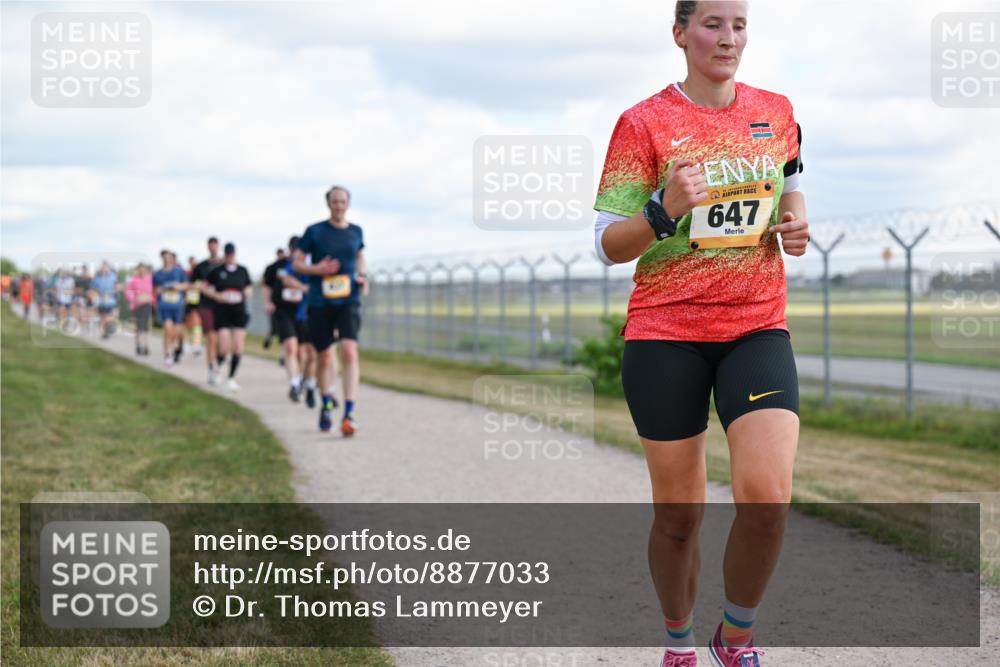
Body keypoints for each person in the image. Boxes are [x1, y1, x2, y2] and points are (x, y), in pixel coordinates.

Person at [593, 3, 809, 666]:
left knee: (768, 497)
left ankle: (734, 639)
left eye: (739, 24)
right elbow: (607, 245)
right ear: (681, 33)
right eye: (714, 23)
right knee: (679, 518)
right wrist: (663, 209)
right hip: (667, 333)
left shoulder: (777, 109)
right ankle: (679, 642)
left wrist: (795, 227)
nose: (729, 37)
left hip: (755, 326)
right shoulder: (643, 122)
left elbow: (792, 189)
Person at [293, 185, 366, 435]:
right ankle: (326, 404)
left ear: (348, 203)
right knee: (324, 356)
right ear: (328, 204)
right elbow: (297, 263)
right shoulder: (314, 231)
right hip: (320, 301)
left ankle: (349, 413)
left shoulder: (356, 231)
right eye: (335, 202)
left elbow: (360, 256)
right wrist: (316, 270)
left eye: (343, 202)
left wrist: (362, 275)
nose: (339, 206)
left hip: (348, 299)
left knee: (349, 351)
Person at [263, 236, 313, 402]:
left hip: (304, 313)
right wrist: (268, 301)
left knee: (303, 353)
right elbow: (266, 284)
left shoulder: (309, 266)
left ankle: (303, 380)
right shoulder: (277, 267)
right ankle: (294, 383)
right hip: (283, 312)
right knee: (291, 347)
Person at [204, 242, 252, 392]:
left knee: (238, 345)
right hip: (222, 311)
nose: (230, 257)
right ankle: (216, 368)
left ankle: (231, 378)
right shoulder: (217, 271)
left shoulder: (242, 270)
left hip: (238, 310)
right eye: (228, 255)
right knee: (224, 344)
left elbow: (248, 287)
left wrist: (245, 293)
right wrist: (216, 295)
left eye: (232, 255)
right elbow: (204, 287)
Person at [192, 237, 224, 384]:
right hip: (206, 306)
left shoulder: (224, 265)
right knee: (211, 338)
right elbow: (194, 284)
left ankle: (218, 362)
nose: (213, 248)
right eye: (210, 246)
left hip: (223, 307)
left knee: (221, 341)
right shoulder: (201, 267)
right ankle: (211, 368)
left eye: (215, 246)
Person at [153, 250, 189, 366]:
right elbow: (154, 289)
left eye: (169, 257)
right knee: (168, 328)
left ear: (172, 259)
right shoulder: (157, 274)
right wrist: (160, 290)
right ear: (162, 259)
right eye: (165, 257)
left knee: (176, 332)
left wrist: (178, 286)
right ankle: (167, 354)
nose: (167, 259)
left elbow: (187, 285)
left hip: (178, 306)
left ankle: (173, 346)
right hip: (165, 306)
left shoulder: (179, 272)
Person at [125, 263, 154, 356]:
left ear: (146, 270)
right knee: (139, 326)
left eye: (143, 270)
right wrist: (134, 298)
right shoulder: (134, 280)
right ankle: (138, 345)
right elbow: (128, 292)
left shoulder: (150, 279)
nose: (142, 272)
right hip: (137, 306)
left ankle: (145, 346)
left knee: (146, 326)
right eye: (140, 270)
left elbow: (154, 292)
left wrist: (151, 299)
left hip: (147, 304)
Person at [91, 261, 119, 339]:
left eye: (106, 267)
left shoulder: (113, 276)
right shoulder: (97, 278)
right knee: (102, 317)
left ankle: (108, 327)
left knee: (111, 315)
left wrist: (114, 290)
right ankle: (104, 332)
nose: (104, 269)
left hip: (111, 299)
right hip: (101, 300)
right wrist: (95, 298)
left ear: (109, 268)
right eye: (103, 267)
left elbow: (117, 286)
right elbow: (93, 289)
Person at [184, 255, 204, 356]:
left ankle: (196, 344)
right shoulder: (187, 274)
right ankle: (186, 342)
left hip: (198, 302)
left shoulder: (200, 275)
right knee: (188, 324)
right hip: (188, 301)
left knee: (197, 324)